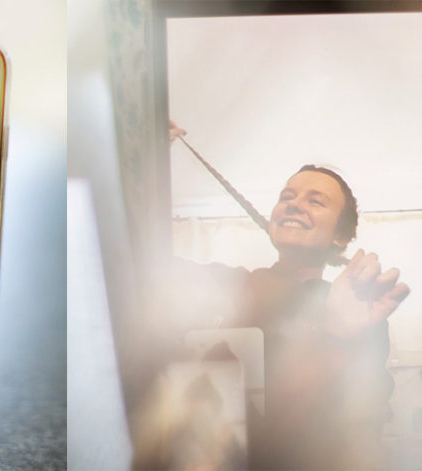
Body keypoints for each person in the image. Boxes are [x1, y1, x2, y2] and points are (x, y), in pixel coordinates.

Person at [161, 129, 411, 469]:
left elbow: (359, 432)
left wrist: (340, 339)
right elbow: (133, 264)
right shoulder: (228, 283)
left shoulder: (354, 311)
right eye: (287, 195)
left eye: (315, 201)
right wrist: (145, 159)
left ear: (341, 235)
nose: (294, 203)